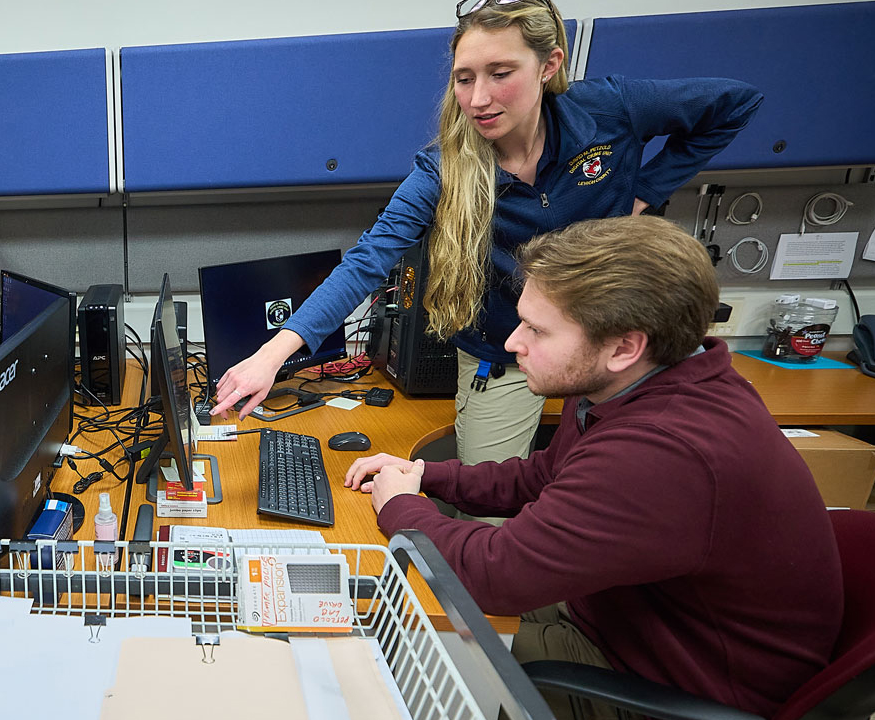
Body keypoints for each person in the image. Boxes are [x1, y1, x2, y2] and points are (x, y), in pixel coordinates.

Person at [211, 0, 764, 468]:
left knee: (645, 480)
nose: (478, 99)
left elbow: (736, 103)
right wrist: (273, 355)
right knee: (492, 502)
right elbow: (366, 262)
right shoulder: (443, 170)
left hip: (622, 342)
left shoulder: (609, 110)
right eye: (464, 78)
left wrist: (645, 190)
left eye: (501, 73)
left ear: (549, 65)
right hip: (507, 350)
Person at [343, 215, 843, 720]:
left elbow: (497, 574)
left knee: (397, 656)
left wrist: (404, 508)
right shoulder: (628, 386)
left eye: (537, 330)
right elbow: (543, 476)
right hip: (622, 614)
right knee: (380, 605)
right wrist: (428, 477)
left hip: (670, 686)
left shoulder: (662, 450)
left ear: (625, 347)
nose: (514, 343)